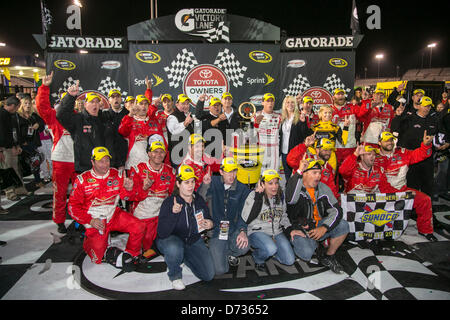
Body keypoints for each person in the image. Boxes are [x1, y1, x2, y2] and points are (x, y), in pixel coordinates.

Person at [68, 147, 145, 271]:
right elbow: (72, 207)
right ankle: (89, 239)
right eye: (101, 161)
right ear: (92, 162)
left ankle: (133, 253)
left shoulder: (117, 175)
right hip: (95, 219)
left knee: (139, 226)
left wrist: (129, 188)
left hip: (113, 214)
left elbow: (127, 197)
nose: (105, 164)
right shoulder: (82, 180)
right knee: (97, 258)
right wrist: (90, 221)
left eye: (107, 160)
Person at [156, 164, 215, 290]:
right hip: (172, 239)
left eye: (192, 181)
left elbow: (208, 217)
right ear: (178, 184)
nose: (190, 185)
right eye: (186, 182)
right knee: (174, 248)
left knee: (208, 275)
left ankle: (183, 258)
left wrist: (210, 223)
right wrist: (173, 214)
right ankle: (175, 275)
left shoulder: (198, 199)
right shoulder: (170, 202)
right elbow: (162, 233)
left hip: (193, 240)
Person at [285, 158, 349, 274]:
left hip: (318, 225)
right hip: (299, 229)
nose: (318, 176)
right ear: (304, 174)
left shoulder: (323, 188)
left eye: (319, 173)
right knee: (306, 253)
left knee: (343, 225)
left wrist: (324, 227)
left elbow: (337, 210)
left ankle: (329, 255)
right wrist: (299, 171)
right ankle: (311, 245)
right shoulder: (295, 186)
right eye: (314, 173)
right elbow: (291, 199)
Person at [374, 131, 437, 241]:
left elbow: (420, 154)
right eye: (386, 140)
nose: (389, 142)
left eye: (391, 140)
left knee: (425, 200)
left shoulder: (402, 153)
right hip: (381, 193)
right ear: (379, 142)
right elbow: (379, 182)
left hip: (402, 190)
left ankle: (425, 230)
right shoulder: (374, 157)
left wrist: (426, 145)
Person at [35, 72, 77, 234]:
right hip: (60, 160)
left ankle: (78, 219)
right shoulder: (53, 115)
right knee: (59, 193)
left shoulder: (77, 116)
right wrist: (44, 87)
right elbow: (41, 107)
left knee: (79, 193)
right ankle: (59, 221)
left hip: (77, 160)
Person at [199, 157, 251, 275]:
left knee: (245, 246)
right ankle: (216, 249)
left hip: (233, 229)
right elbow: (199, 201)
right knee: (220, 270)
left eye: (234, 171)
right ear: (221, 172)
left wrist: (242, 230)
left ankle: (226, 252)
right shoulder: (212, 182)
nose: (232, 175)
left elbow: (245, 214)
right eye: (228, 171)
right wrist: (205, 185)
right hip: (217, 229)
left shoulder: (242, 189)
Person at [128, 140, 176, 260]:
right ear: (149, 153)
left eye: (161, 152)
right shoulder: (138, 169)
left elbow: (173, 195)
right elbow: (130, 196)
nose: (158, 155)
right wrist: (143, 188)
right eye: (155, 151)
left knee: (165, 243)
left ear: (165, 154)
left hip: (161, 214)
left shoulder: (170, 171)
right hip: (143, 214)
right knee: (144, 246)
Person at [241, 169, 295, 271]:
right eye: (270, 183)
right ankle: (258, 257)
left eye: (276, 183)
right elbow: (246, 218)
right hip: (257, 232)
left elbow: (283, 215)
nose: (274, 187)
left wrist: (290, 228)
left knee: (289, 260)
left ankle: (270, 251)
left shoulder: (280, 196)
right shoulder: (254, 195)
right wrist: (258, 197)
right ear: (262, 184)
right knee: (271, 248)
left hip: (276, 233)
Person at [56, 81, 114, 174]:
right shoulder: (78, 119)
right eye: (91, 102)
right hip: (85, 168)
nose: (94, 104)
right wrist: (70, 96)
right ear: (85, 104)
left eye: (97, 102)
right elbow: (61, 115)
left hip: (104, 167)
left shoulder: (104, 119)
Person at [391, 96, 439, 197]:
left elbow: (438, 137)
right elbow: (394, 128)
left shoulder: (433, 120)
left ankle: (427, 208)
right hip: (411, 157)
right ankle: (412, 209)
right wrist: (398, 116)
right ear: (418, 106)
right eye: (425, 106)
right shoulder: (408, 118)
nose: (427, 108)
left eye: (429, 106)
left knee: (428, 185)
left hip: (427, 158)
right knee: (412, 185)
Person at [118, 94, 166, 170]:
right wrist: (130, 114)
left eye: (145, 104)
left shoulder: (154, 121)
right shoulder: (129, 119)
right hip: (134, 165)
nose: (143, 106)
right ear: (135, 105)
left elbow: (162, 143)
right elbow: (122, 131)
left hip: (153, 167)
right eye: (141, 104)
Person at [287, 136, 339, 200]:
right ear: (317, 150)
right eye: (325, 149)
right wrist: (305, 145)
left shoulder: (328, 168)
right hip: (300, 198)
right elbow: (290, 160)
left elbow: (332, 189)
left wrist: (335, 203)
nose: (328, 152)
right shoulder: (307, 159)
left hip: (317, 203)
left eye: (330, 149)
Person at [0, 96, 29, 199]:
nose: (18, 109)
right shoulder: (2, 114)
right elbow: (3, 134)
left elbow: (14, 131)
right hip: (4, 148)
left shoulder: (12, 115)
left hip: (12, 146)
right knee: (7, 170)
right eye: (17, 107)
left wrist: (17, 145)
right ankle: (10, 193)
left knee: (15, 168)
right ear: (12, 106)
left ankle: (19, 189)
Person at [17, 94, 46, 187]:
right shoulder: (17, 116)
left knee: (35, 161)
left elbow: (42, 122)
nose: (28, 105)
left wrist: (38, 124)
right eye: (25, 103)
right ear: (21, 104)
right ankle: (19, 185)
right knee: (21, 164)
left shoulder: (33, 115)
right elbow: (15, 130)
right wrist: (21, 142)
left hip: (32, 142)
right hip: (21, 143)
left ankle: (37, 181)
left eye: (29, 103)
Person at [312, 104, 349, 171]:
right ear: (320, 114)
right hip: (317, 156)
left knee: (331, 178)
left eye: (330, 113)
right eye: (325, 112)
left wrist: (346, 127)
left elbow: (343, 142)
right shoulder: (315, 127)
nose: (328, 115)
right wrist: (314, 155)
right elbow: (310, 145)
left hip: (330, 157)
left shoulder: (335, 127)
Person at [252, 93, 282, 172]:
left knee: (274, 173)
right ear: (262, 102)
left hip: (274, 149)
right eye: (267, 101)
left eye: (272, 101)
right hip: (261, 149)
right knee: (261, 175)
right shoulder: (256, 115)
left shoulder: (279, 116)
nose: (270, 103)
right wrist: (256, 124)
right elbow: (251, 136)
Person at [103, 89, 129, 170]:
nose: (115, 99)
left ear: (121, 99)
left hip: (126, 159)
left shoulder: (128, 114)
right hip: (109, 160)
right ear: (108, 100)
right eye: (113, 97)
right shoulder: (104, 115)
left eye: (118, 96)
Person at [166, 94, 195, 165]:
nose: (186, 106)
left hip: (189, 156)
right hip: (177, 156)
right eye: (183, 103)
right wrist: (185, 124)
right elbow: (173, 132)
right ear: (177, 104)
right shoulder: (172, 117)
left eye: (187, 103)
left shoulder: (189, 116)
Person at [279, 95, 302, 179]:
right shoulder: (282, 119)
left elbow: (304, 134)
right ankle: (289, 191)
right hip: (284, 152)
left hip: (295, 153)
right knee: (287, 176)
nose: (290, 104)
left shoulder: (299, 118)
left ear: (296, 104)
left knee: (296, 177)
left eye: (292, 102)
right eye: (287, 102)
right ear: (284, 105)